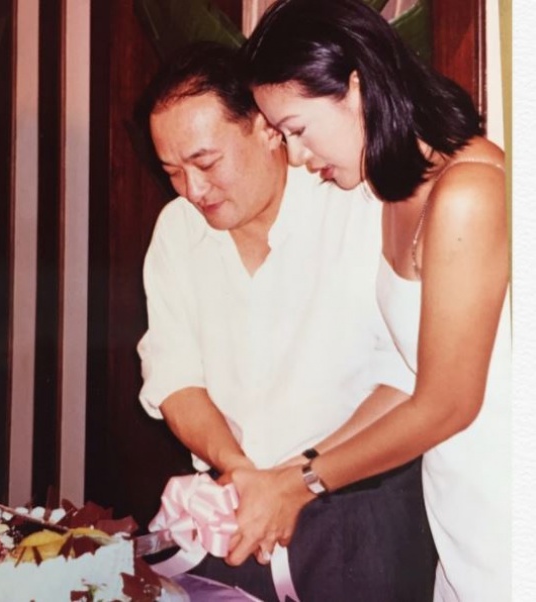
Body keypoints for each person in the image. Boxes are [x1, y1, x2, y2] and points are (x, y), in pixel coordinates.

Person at [136, 41, 437, 601]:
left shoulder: (357, 206)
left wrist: (296, 480)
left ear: (267, 128)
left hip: (359, 511)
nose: (192, 190)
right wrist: (241, 471)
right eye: (172, 171)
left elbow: (405, 375)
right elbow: (174, 377)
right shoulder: (178, 230)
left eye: (206, 163)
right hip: (237, 508)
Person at [238, 1, 510, 601]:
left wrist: (304, 484)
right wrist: (291, 470)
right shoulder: (392, 192)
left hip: (510, 511)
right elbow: (406, 380)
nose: (297, 157)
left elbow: (448, 404)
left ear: (357, 87)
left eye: (297, 130)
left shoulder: (469, 191)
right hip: (457, 514)